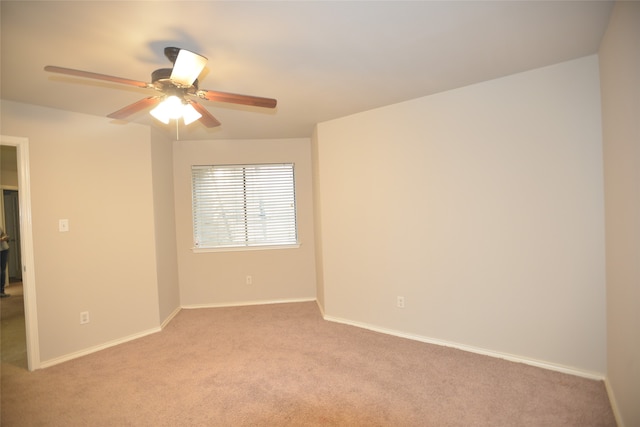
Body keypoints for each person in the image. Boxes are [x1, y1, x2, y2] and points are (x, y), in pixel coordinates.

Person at [1, 226, 9, 298]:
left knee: (3, 270)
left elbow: (3, 234)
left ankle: (2, 291)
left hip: (4, 249)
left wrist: (5, 237)